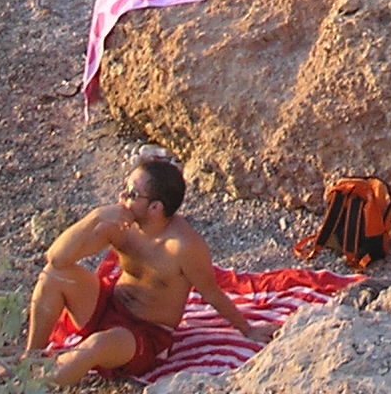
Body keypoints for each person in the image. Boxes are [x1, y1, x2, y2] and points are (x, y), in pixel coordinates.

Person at [25, 155, 270, 386]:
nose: (121, 196)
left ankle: (28, 385)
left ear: (155, 208)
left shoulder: (182, 247)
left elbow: (212, 293)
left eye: (131, 194)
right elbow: (56, 258)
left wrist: (247, 330)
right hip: (109, 303)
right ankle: (29, 359)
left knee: (97, 345)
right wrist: (94, 216)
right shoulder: (121, 226)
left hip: (142, 334)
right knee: (52, 276)